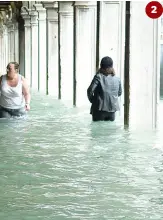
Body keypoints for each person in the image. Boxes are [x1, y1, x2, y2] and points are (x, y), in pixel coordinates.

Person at [87, 56, 122, 121]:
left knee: (97, 130)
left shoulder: (98, 77)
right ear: (112, 66)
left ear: (101, 66)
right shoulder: (118, 79)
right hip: (112, 111)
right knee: (109, 130)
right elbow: (119, 93)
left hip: (99, 110)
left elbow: (90, 91)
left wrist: (93, 101)